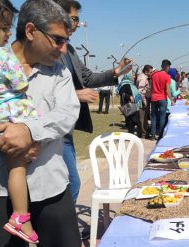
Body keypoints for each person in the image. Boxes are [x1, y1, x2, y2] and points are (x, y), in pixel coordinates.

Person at [0, 1, 81, 247]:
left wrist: (28, 130)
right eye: (57, 40)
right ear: (30, 31)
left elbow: (66, 113)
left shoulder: (58, 72)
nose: (63, 49)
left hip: (49, 183)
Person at [54, 0, 132, 203]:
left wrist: (115, 72)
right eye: (74, 19)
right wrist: (75, 95)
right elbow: (44, 88)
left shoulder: (69, 50)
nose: (78, 25)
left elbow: (86, 77)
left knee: (68, 184)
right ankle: (59, 231)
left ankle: (61, 231)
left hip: (65, 129)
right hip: (50, 132)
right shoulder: (48, 50)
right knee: (70, 184)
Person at [0, 0, 40, 243]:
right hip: (9, 117)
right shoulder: (2, 55)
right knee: (17, 166)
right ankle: (21, 217)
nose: (9, 33)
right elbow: (21, 84)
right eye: (4, 27)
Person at [150, 59, 173, 140]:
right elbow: (167, 90)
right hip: (162, 98)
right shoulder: (167, 76)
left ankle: (152, 135)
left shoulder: (153, 75)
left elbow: (151, 88)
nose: (169, 69)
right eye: (169, 67)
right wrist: (172, 100)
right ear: (166, 67)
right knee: (162, 117)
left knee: (153, 117)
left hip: (153, 98)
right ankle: (160, 134)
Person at [118, 72, 143, 137]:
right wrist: (129, 96)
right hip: (129, 105)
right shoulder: (125, 84)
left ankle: (135, 135)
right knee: (134, 121)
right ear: (128, 76)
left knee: (133, 121)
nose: (134, 77)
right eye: (133, 75)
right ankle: (135, 135)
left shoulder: (131, 84)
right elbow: (122, 93)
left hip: (135, 105)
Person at [136, 64, 153, 138]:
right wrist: (145, 101)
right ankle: (143, 134)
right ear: (146, 71)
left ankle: (141, 133)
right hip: (143, 99)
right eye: (150, 72)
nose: (151, 73)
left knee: (142, 118)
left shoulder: (141, 76)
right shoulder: (143, 78)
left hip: (142, 99)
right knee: (143, 118)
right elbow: (141, 91)